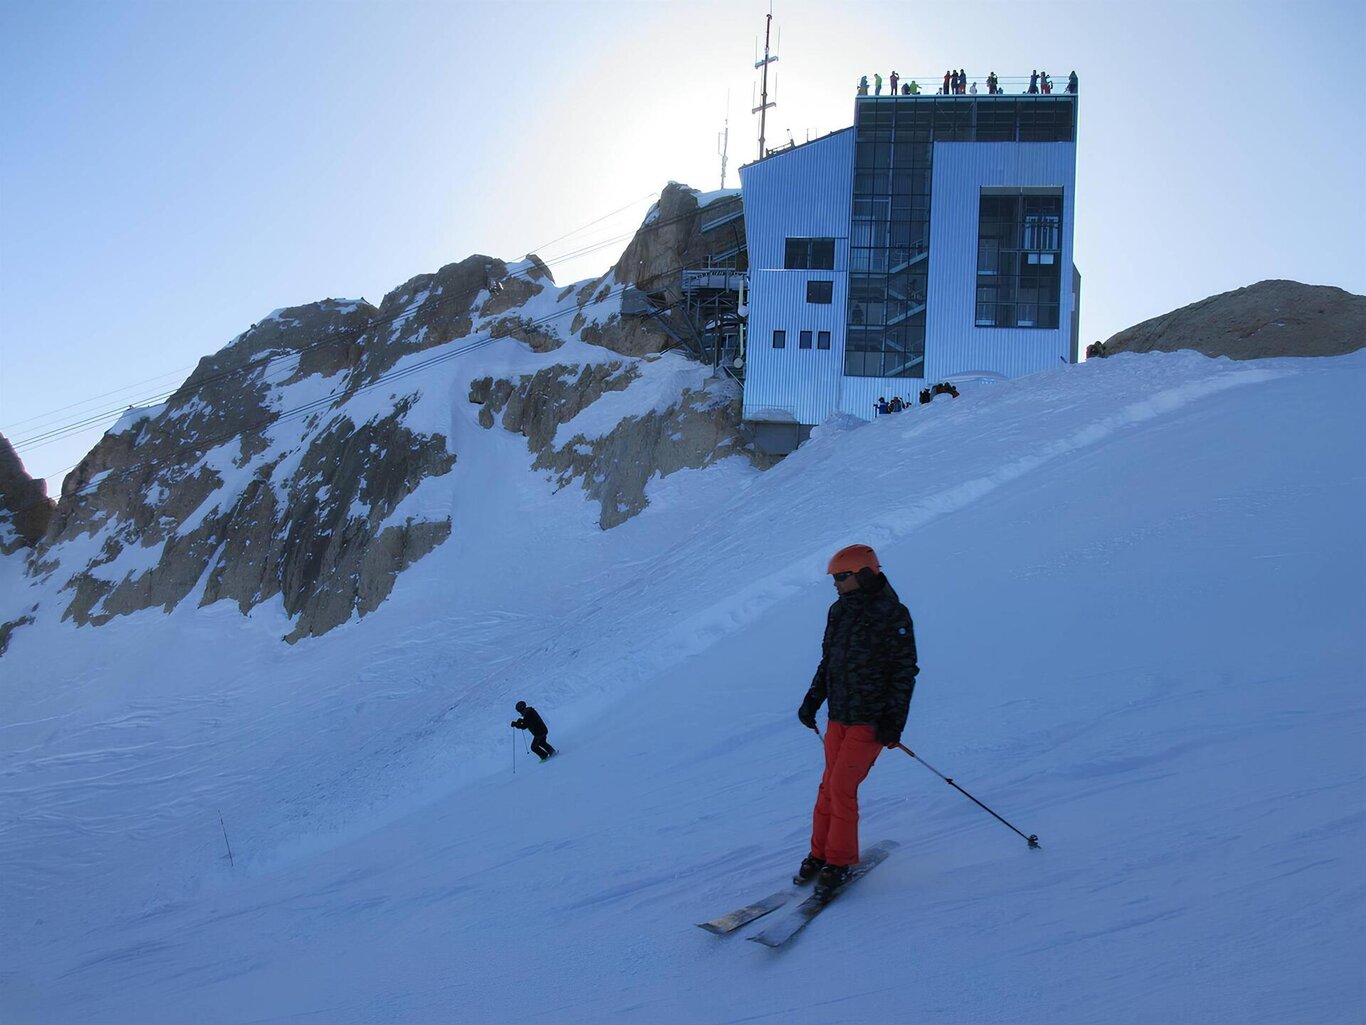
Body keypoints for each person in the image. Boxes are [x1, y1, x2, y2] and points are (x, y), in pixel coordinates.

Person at [795, 545, 919, 899]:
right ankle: (819, 854)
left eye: (840, 577)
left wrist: (894, 722)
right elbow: (828, 661)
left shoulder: (893, 615)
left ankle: (839, 860)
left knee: (841, 787)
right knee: (827, 785)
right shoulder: (839, 611)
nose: (834, 583)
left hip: (871, 719)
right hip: (840, 715)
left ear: (863, 575)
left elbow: (904, 672)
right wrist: (812, 700)